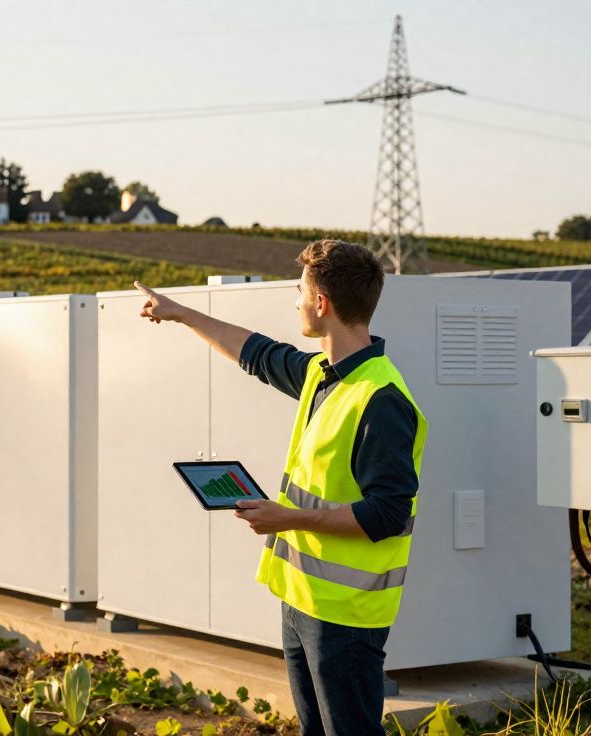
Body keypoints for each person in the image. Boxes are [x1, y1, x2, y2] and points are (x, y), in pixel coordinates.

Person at [134, 239, 426, 736]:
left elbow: (387, 514)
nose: (294, 301)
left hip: (345, 616)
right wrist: (180, 313)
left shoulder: (381, 399)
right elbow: (255, 351)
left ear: (321, 304)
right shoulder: (323, 374)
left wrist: (286, 517)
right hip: (301, 601)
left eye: (300, 291)